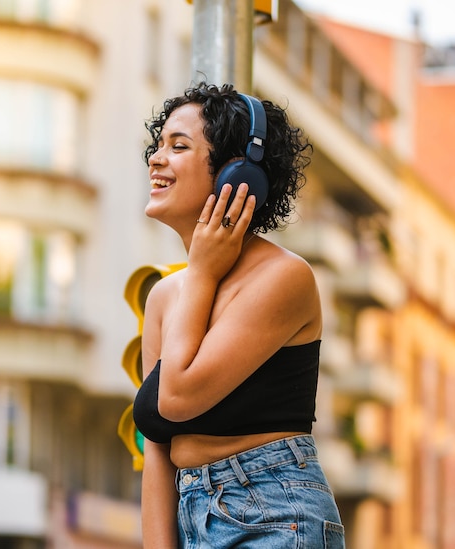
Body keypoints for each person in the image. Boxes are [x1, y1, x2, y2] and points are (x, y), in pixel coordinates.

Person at [133, 82, 345, 548]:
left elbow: (179, 397)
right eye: (158, 144)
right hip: (193, 518)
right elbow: (158, 452)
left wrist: (204, 272)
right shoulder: (165, 297)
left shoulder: (285, 278)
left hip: (275, 514)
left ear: (237, 175)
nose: (155, 158)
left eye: (179, 146)